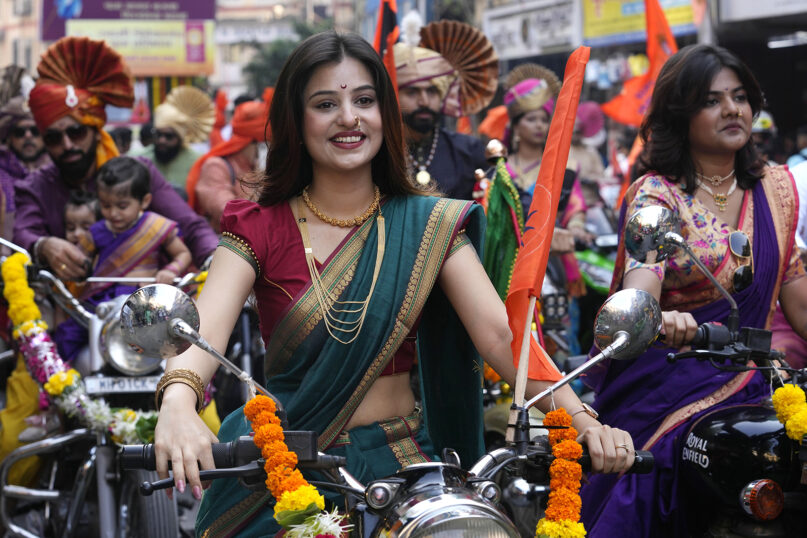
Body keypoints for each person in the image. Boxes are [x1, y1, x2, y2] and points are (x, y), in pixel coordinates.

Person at [151, 31, 636, 536]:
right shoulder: (258, 225)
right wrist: (179, 402)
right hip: (288, 464)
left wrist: (584, 420)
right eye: (325, 103)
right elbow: (203, 328)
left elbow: (501, 338)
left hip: (403, 469)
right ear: (297, 122)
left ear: (386, 114)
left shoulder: (427, 224)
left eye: (364, 100)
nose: (349, 118)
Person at [580, 44, 807, 537]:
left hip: (759, 372)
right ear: (681, 115)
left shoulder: (778, 188)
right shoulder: (657, 194)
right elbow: (640, 289)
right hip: (671, 375)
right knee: (647, 476)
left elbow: (796, 290)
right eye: (712, 100)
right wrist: (657, 318)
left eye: (741, 96)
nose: (732, 109)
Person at [12, 36, 218, 283]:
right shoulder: (35, 187)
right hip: (72, 309)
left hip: (145, 308)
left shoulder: (138, 173)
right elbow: (23, 233)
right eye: (54, 138)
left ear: (95, 130)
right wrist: (42, 246)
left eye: (76, 132)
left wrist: (214, 259)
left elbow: (191, 226)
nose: (68, 145)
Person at [393, 19, 491, 199]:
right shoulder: (381, 151)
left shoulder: (468, 150)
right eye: (412, 92)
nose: (424, 101)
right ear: (394, 95)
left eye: (432, 91)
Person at [186, 99, 269, 232]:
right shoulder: (216, 166)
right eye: (262, 144)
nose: (263, 150)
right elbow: (226, 210)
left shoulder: (253, 168)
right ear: (251, 142)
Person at [0, 65, 51, 245]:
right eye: (20, 132)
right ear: (9, 137)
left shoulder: (57, 172)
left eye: (35, 131)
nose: (28, 136)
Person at [132, 86, 215, 194]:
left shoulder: (198, 162)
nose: (162, 140)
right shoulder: (138, 158)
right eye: (158, 134)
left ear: (180, 138)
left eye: (169, 136)